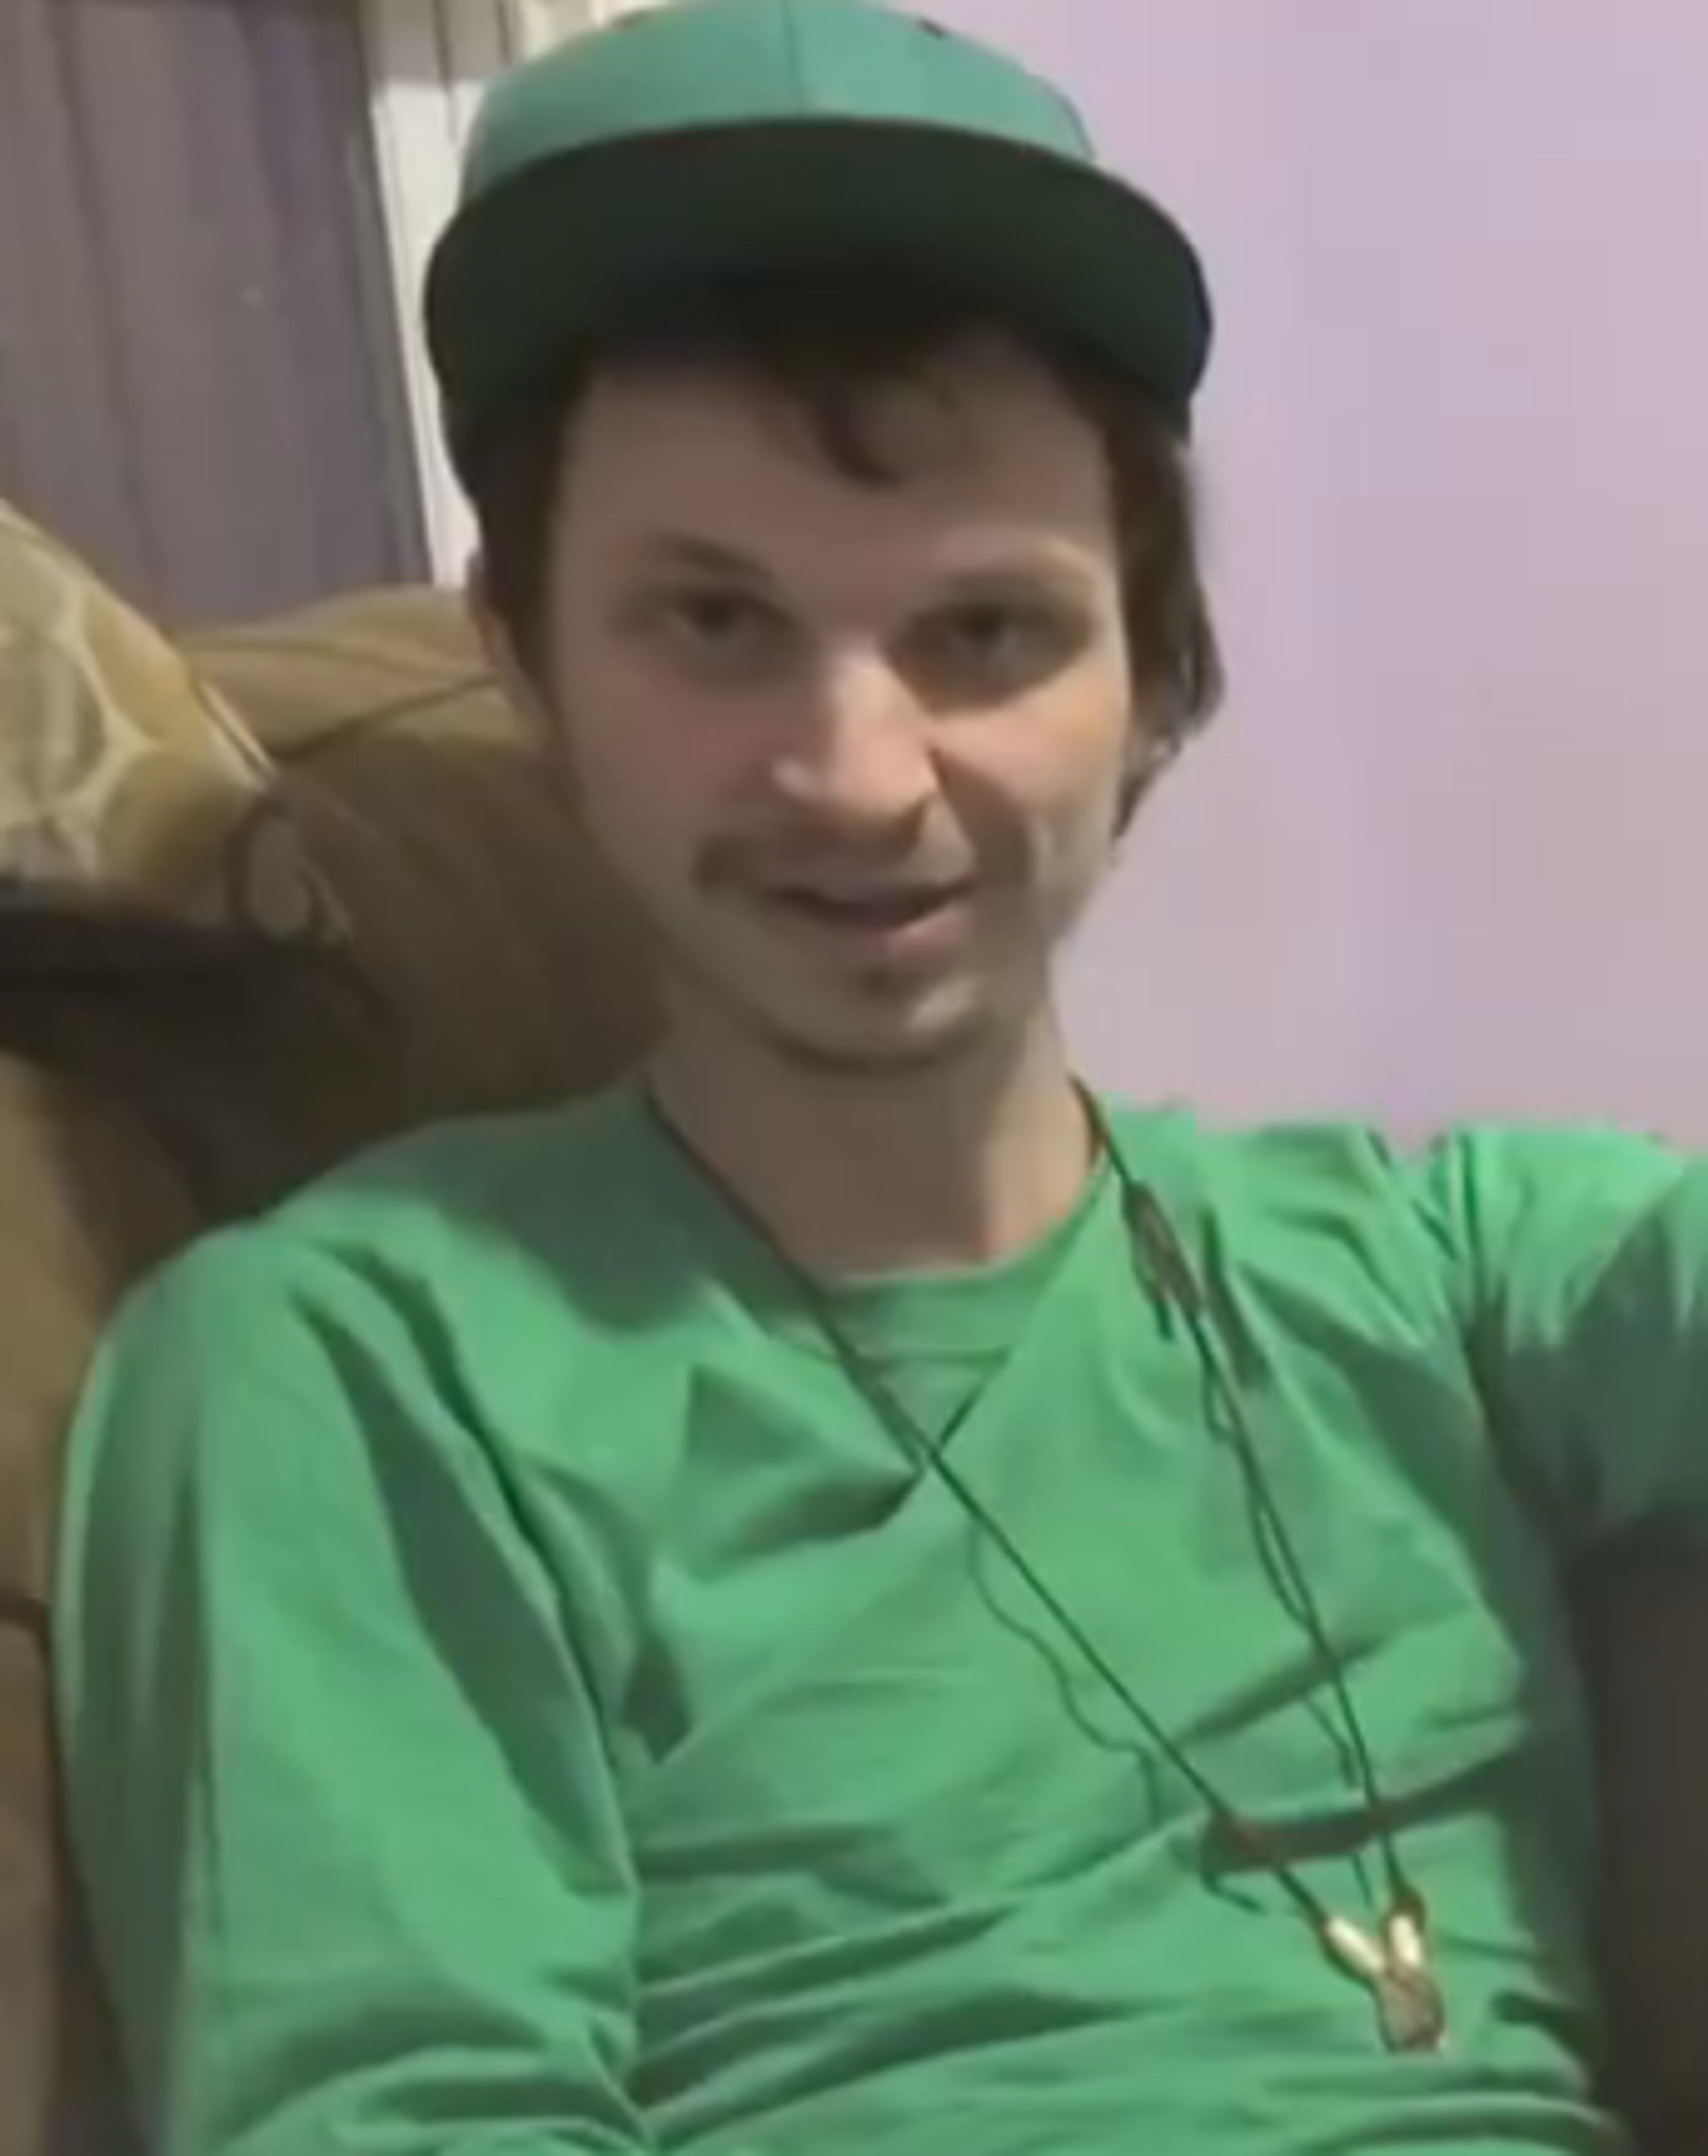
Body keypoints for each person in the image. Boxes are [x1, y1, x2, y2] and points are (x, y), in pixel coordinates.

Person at [50, 2, 1708, 2152]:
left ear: (1159, 678)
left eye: (988, 635)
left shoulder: (1442, 1279)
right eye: (715, 626)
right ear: (525, 663)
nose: (858, 776)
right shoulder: (358, 1372)